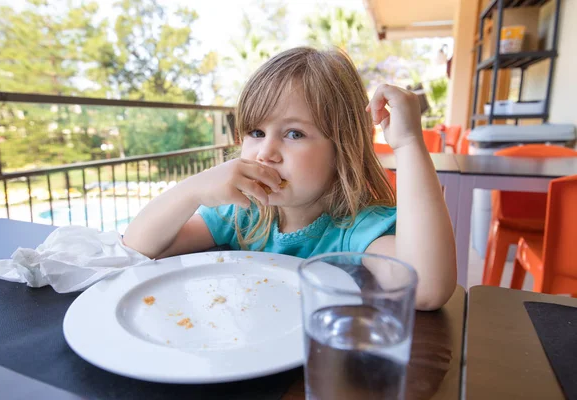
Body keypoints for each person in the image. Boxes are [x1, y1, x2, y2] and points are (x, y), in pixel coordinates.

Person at [123, 47, 457, 310]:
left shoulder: (354, 228)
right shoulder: (242, 213)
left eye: (294, 133)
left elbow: (425, 289)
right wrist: (192, 190)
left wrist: (409, 143)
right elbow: (138, 248)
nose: (265, 152)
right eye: (256, 131)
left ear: (342, 149)